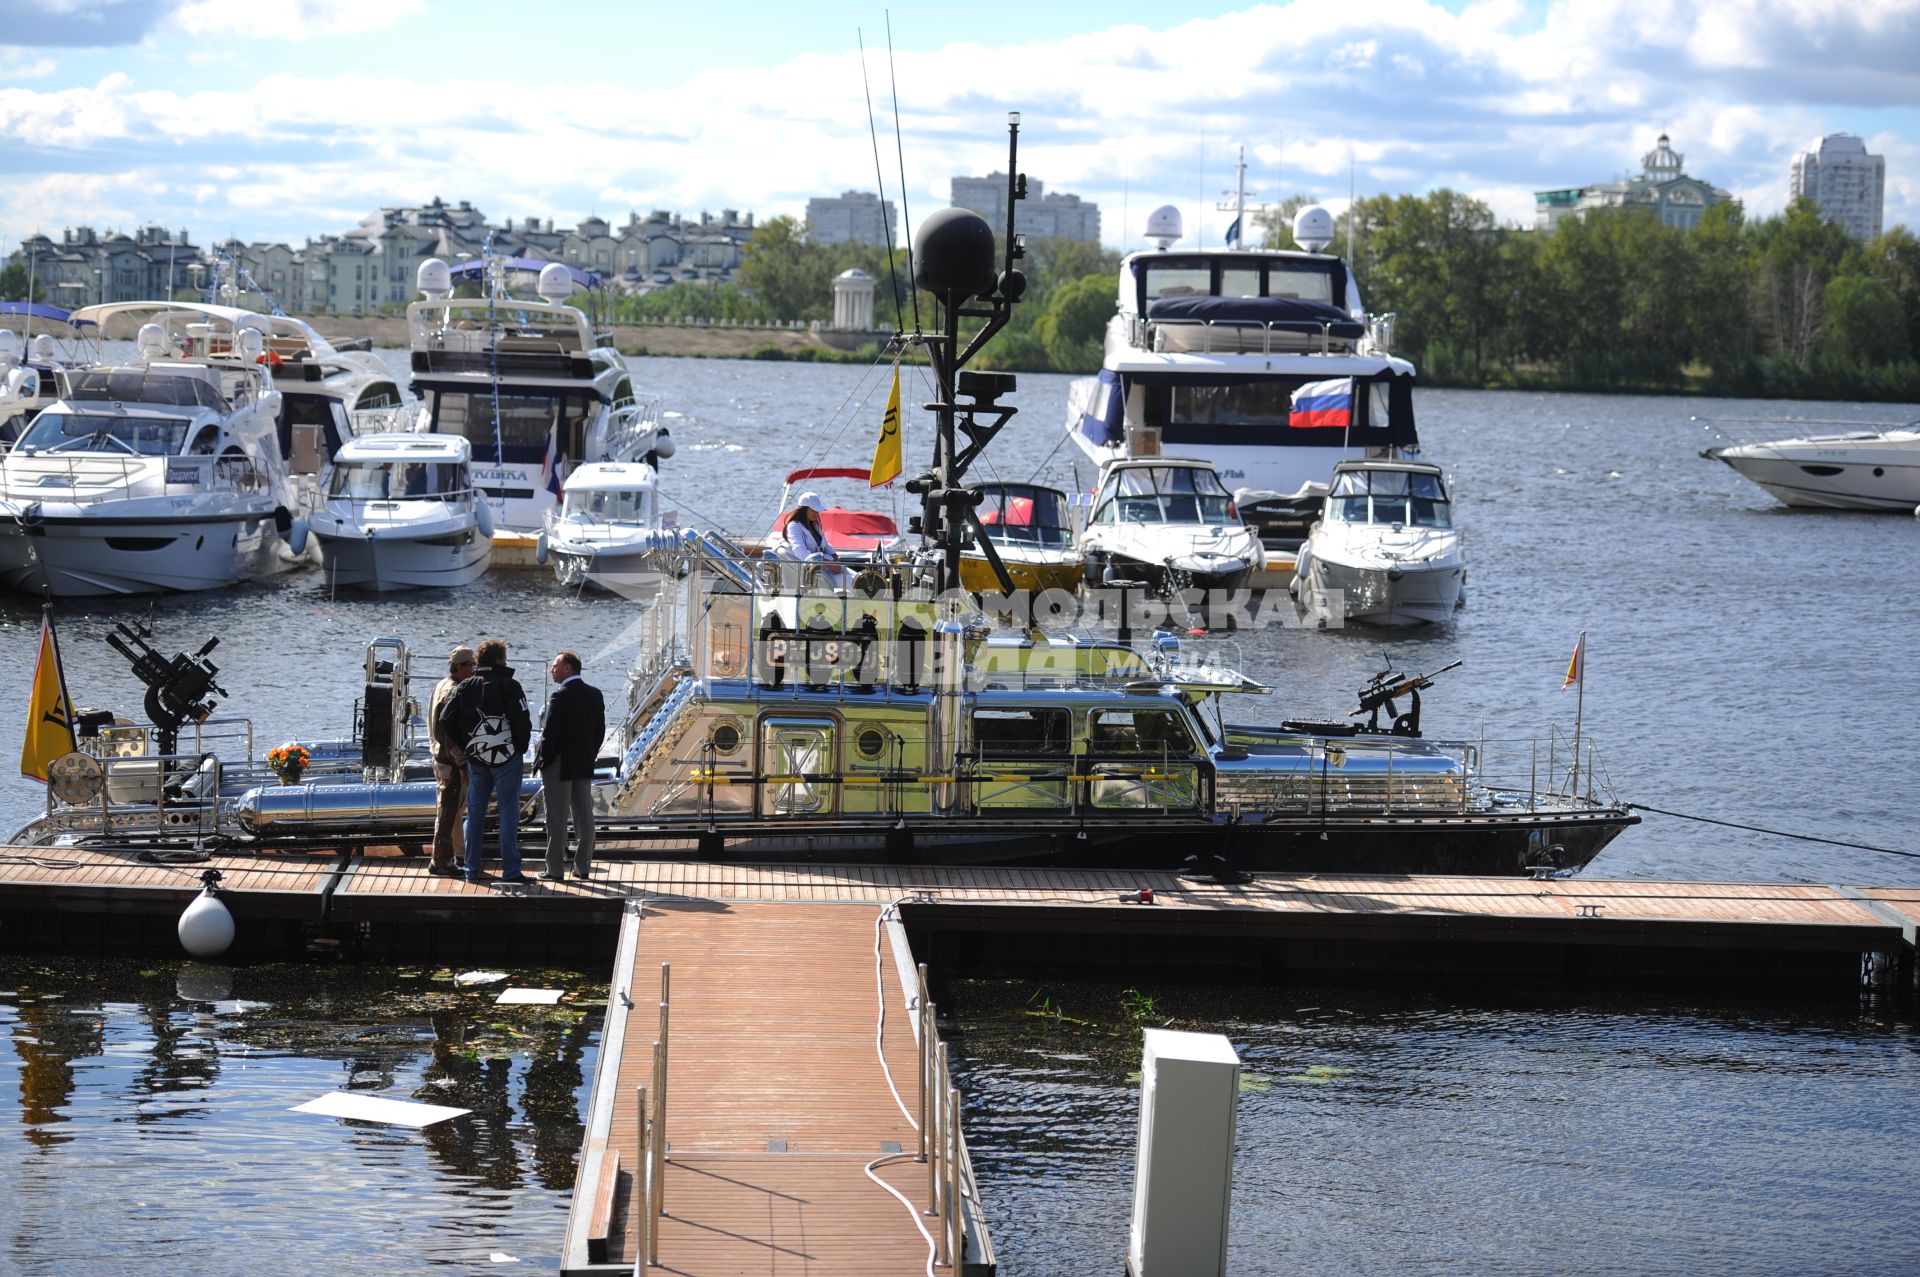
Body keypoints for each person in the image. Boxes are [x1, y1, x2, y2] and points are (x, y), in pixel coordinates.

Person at [440, 637, 533, 886]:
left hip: (477, 760)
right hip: (507, 759)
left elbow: (446, 719)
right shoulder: (511, 686)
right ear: (501, 660)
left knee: (476, 813)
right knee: (508, 812)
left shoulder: (466, 685)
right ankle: (511, 871)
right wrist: (517, 749)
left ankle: (471, 869)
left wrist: (467, 745)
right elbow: (523, 723)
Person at [534, 649, 606, 881]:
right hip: (584, 763)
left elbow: (551, 734)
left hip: (559, 764)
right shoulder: (595, 694)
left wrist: (543, 759)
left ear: (567, 668)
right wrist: (590, 754)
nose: (552, 670)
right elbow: (599, 731)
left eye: (555, 666)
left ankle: (555, 870)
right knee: (584, 816)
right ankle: (582, 867)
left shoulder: (559, 696)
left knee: (556, 817)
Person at [426, 644, 477, 877]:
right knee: (448, 812)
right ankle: (440, 861)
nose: (474, 670)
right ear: (459, 667)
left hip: (438, 757)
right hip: (451, 761)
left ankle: (458, 855)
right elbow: (448, 732)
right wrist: (462, 763)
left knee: (450, 811)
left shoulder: (440, 685)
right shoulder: (454, 691)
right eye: (471, 665)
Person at [785, 492, 849, 587]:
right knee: (854, 584)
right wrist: (827, 563)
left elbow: (826, 545)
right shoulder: (794, 526)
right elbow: (801, 553)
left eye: (817, 511)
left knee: (858, 578)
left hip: (826, 569)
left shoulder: (815, 525)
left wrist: (834, 557)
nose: (817, 513)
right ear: (804, 510)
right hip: (813, 573)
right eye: (814, 510)